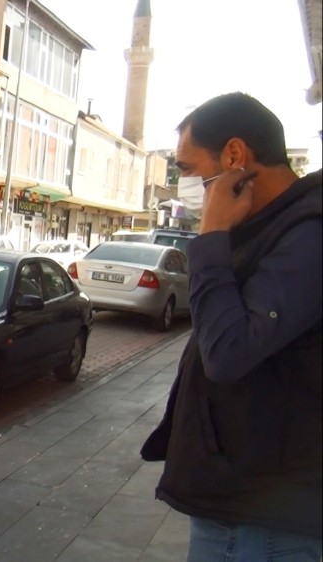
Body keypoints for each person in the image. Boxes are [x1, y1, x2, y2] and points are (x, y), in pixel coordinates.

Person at [141, 93, 322, 560]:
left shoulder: (306, 233)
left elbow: (229, 353)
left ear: (234, 157)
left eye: (188, 167)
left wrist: (213, 236)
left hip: (261, 518)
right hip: (242, 502)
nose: (188, 182)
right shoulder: (270, 227)